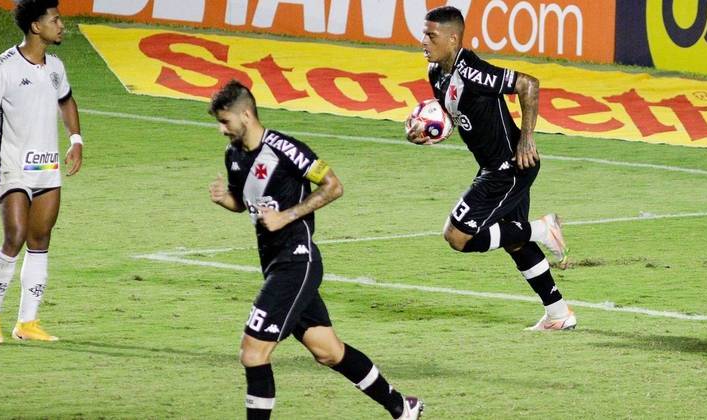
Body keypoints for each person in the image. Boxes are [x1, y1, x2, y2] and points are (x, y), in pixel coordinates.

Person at [208, 81, 423, 419]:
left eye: (225, 122)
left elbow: (333, 185)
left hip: (297, 263)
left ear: (246, 115)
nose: (221, 130)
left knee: (252, 352)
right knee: (328, 351)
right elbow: (244, 202)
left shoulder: (285, 149)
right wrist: (226, 200)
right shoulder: (234, 155)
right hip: (275, 263)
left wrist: (287, 216)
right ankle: (402, 407)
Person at [406, 6, 576, 331]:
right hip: (496, 168)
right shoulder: (435, 74)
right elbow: (455, 115)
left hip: (509, 168)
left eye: (431, 35)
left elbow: (529, 84)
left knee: (457, 236)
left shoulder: (471, 71)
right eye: (424, 33)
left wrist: (526, 139)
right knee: (514, 242)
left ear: (453, 38)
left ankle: (544, 229)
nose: (423, 41)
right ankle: (558, 314)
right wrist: (429, 132)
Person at [0, 0, 83, 344]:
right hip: (13, 166)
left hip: (46, 166)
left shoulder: (56, 67)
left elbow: (66, 101)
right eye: (55, 20)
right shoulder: (2, 67)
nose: (61, 25)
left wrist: (76, 139)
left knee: (40, 240)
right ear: (36, 27)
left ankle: (27, 323)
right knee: (15, 236)